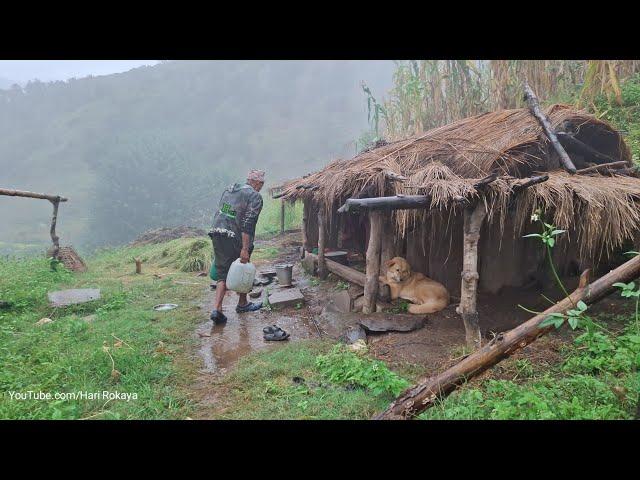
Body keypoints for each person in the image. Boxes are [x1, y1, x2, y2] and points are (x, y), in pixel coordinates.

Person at [209, 169, 265, 323]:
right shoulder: (255, 196)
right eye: (261, 184)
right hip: (235, 236)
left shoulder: (230, 189)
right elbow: (248, 223)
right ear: (256, 182)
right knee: (243, 265)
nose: (261, 187)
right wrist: (245, 249)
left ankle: (217, 309)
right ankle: (242, 304)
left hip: (217, 232)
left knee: (222, 271)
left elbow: (227, 211)